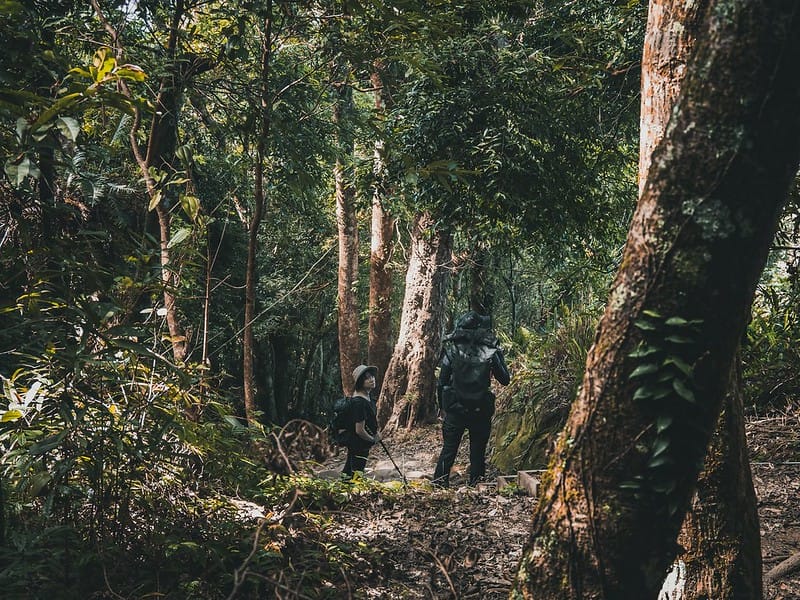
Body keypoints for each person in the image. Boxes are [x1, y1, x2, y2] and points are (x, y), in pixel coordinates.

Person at [433, 311, 510, 487]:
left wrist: (442, 407)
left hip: (455, 408)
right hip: (480, 408)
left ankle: (439, 484)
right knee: (477, 451)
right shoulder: (491, 349)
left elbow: (441, 382)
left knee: (449, 449)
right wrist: (499, 356)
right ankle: (476, 484)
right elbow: (505, 379)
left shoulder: (452, 350)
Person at [342, 364, 382, 480]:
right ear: (360, 382)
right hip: (357, 443)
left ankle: (342, 491)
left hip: (361, 444)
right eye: (367, 378)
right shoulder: (359, 403)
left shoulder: (368, 398)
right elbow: (359, 430)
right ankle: (349, 494)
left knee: (350, 470)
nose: (372, 379)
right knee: (356, 472)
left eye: (372, 377)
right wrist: (373, 439)